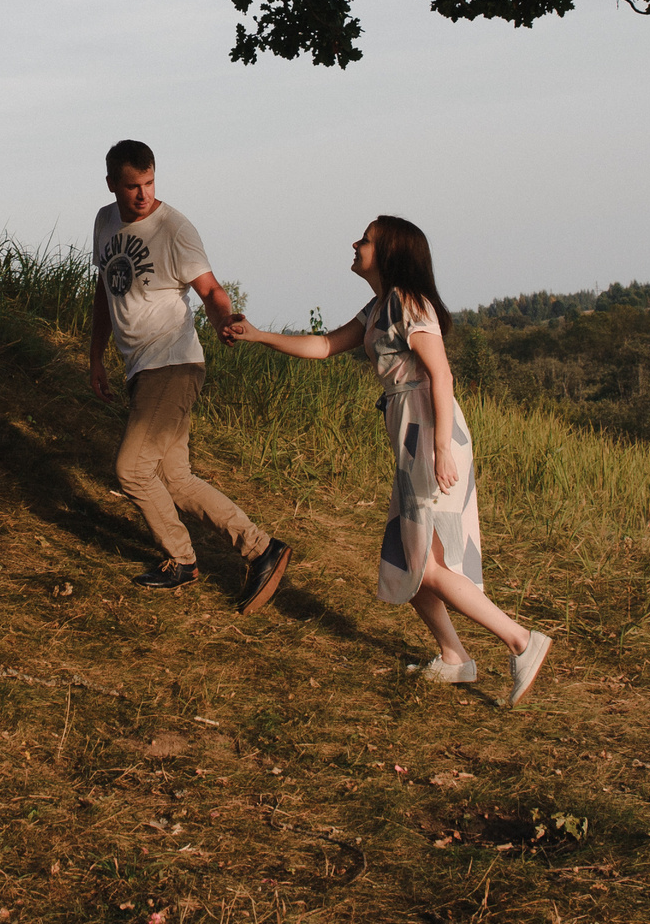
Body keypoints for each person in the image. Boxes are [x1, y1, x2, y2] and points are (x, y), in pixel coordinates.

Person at [226, 215, 553, 705]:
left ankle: (522, 642)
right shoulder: (379, 306)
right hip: (410, 435)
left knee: (431, 565)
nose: (355, 244)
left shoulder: (407, 302)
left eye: (366, 239)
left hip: (430, 433)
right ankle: (453, 657)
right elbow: (324, 345)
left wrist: (441, 449)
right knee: (408, 555)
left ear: (391, 251)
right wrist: (258, 335)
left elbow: (441, 376)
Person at [89, 139, 293, 611]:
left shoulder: (175, 228)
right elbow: (105, 290)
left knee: (131, 470)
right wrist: (95, 357)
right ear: (111, 185)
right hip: (139, 367)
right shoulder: (104, 221)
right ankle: (260, 548)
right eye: (131, 186)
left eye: (149, 183)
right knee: (174, 479)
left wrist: (225, 321)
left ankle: (186, 558)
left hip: (173, 363)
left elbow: (210, 289)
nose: (142, 195)